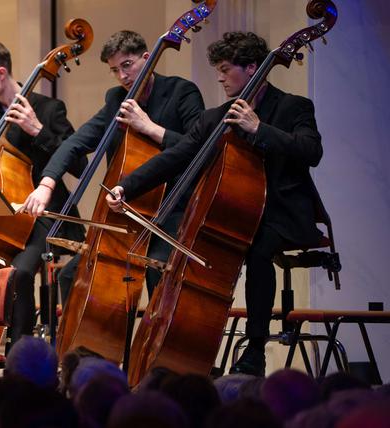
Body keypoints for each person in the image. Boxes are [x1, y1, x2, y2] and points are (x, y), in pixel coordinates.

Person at [106, 32, 323, 376]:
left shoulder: (292, 107)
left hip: (282, 214)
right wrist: (126, 186)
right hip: (235, 216)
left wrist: (259, 128)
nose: (219, 78)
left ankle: (255, 349)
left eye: (225, 69)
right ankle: (191, 351)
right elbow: (175, 158)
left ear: (252, 67)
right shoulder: (215, 118)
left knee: (257, 248)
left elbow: (312, 152)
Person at [20, 30, 206, 299]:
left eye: (127, 65)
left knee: (157, 269)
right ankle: (90, 342)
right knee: (71, 274)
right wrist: (46, 185)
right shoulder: (116, 100)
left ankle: (153, 340)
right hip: (126, 211)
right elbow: (74, 143)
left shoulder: (181, 91)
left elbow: (199, 148)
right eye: (115, 70)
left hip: (173, 208)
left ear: (147, 58)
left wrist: (150, 128)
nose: (122, 76)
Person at [0, 41, 79, 344]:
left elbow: (79, 163)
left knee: (18, 275)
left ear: (1, 73)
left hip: (40, 216)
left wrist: (38, 131)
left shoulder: (48, 109)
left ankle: (20, 354)